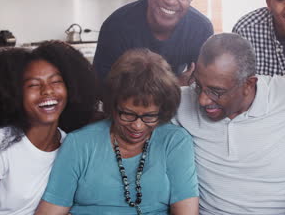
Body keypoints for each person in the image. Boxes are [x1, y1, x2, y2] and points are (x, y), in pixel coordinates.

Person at [36, 49, 198, 215]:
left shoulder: (174, 142)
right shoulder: (79, 143)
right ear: (113, 105)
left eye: (149, 116)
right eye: (127, 114)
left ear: (163, 110)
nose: (137, 126)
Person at [172, 33, 285, 214]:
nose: (202, 100)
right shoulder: (181, 102)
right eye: (199, 86)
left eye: (216, 91)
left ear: (249, 84)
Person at [0, 41, 98, 215]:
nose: (48, 91)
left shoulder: (71, 146)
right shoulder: (3, 142)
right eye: (34, 85)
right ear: (16, 93)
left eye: (56, 81)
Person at [93, 0, 214, 86]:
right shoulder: (116, 26)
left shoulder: (200, 28)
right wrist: (173, 85)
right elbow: (103, 88)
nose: (171, 0)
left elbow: (202, 84)